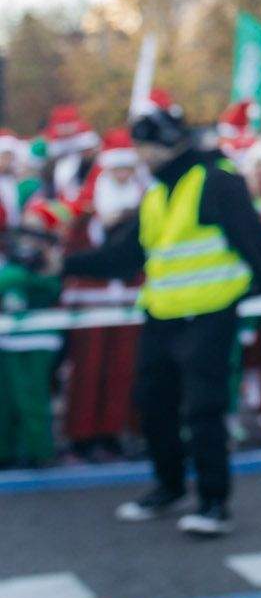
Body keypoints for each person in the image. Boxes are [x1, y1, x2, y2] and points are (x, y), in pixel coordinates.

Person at [62, 94, 261, 536]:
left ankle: (214, 503)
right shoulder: (157, 193)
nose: (141, 157)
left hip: (210, 313)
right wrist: (65, 264)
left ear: (167, 145)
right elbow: (125, 256)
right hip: (163, 314)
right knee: (153, 404)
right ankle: (169, 486)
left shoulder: (215, 180)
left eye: (145, 148)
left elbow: (256, 239)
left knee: (204, 410)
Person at [60, 128, 149, 460]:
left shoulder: (144, 201)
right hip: (90, 299)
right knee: (87, 369)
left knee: (123, 368)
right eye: (117, 167)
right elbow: (69, 249)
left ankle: (112, 432)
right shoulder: (84, 205)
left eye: (128, 167)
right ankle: (81, 435)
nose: (123, 173)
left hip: (128, 298)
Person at [0, 190, 69, 468]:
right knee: (6, 398)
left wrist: (21, 274)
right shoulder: (16, 264)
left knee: (31, 398)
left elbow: (49, 288)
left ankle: (39, 451)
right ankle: (7, 451)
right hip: (8, 339)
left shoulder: (46, 265)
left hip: (35, 340)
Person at [41, 104, 100, 206]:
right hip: (59, 199)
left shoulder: (87, 151)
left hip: (84, 197)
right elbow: (48, 180)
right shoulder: (53, 154)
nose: (65, 130)